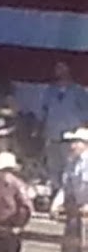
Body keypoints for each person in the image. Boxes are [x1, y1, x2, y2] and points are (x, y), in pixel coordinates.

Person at [40, 63, 88, 196]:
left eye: (62, 68)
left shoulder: (78, 91)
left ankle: (69, 196)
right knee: (54, 168)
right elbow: (44, 111)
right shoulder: (50, 91)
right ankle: (56, 195)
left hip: (71, 138)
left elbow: (86, 112)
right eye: (57, 68)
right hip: (52, 136)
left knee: (71, 169)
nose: (59, 71)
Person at [0, 152, 32, 252]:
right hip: (1, 224)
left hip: (12, 224)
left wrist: (19, 225)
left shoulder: (17, 185)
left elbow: (25, 207)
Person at [56, 128, 88, 252]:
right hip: (76, 208)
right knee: (69, 245)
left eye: (76, 142)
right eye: (71, 142)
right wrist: (56, 203)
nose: (72, 145)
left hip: (85, 208)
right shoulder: (71, 162)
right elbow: (66, 187)